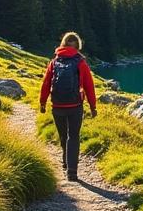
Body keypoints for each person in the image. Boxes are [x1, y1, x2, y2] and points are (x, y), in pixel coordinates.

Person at [39, 31, 98, 182]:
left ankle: (65, 163)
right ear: (77, 46)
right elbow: (89, 86)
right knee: (74, 136)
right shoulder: (80, 62)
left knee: (63, 136)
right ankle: (72, 172)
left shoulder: (54, 62)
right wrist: (92, 106)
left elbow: (46, 83)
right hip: (75, 106)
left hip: (57, 105)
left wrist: (42, 102)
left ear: (63, 45)